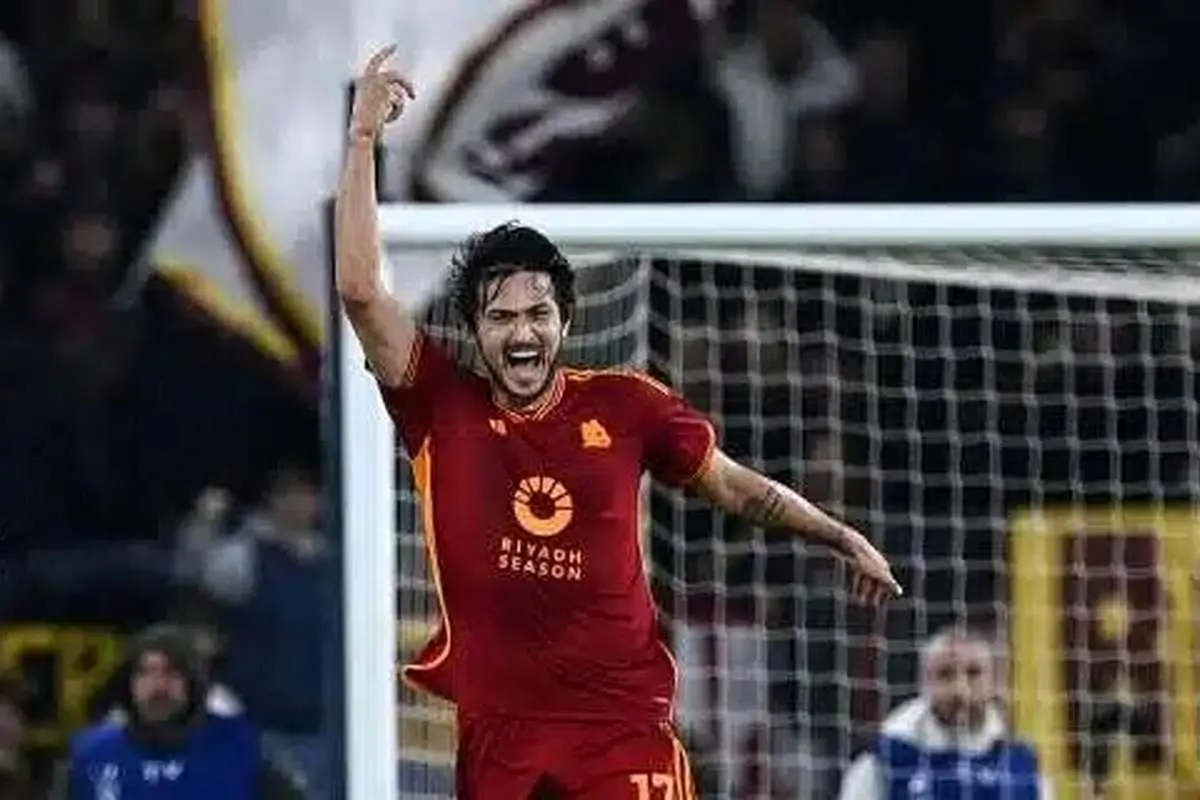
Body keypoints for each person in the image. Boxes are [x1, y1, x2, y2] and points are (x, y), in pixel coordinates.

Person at [337, 46, 901, 800]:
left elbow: (734, 487)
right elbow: (360, 290)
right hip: (501, 739)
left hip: (621, 732)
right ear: (474, 330)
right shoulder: (442, 406)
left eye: (538, 313)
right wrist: (362, 142)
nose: (522, 332)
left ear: (565, 321)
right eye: (501, 318)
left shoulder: (628, 405)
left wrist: (838, 535)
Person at [60, 624, 303, 800]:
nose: (158, 685)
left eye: (171, 672)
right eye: (145, 672)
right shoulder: (92, 755)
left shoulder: (240, 747)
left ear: (192, 682)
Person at [837, 627, 1050, 800]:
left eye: (973, 673)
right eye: (945, 674)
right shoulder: (883, 761)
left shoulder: (1022, 764)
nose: (960, 690)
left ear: (994, 682)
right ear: (925, 683)